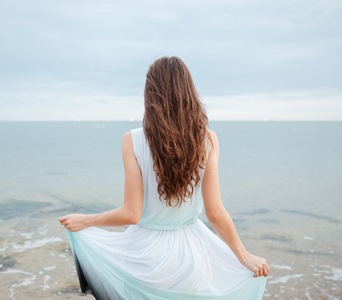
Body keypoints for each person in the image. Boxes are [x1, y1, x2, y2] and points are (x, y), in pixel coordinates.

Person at [58, 56, 268, 299]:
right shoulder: (208, 140)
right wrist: (243, 256)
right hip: (192, 256)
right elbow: (216, 212)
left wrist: (86, 221)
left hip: (143, 256)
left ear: (151, 95)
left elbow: (131, 214)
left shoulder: (132, 140)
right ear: (188, 92)